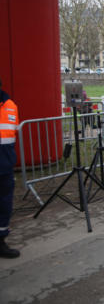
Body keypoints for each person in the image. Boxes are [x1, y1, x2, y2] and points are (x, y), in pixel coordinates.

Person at [0, 78, 20, 258]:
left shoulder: (11, 106)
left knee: (5, 205)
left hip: (5, 166)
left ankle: (1, 240)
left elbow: (12, 133)